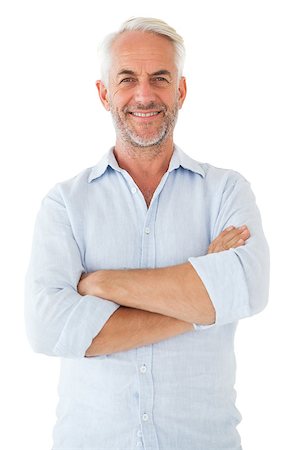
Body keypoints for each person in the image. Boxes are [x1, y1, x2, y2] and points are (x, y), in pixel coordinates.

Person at [25, 17, 270, 450]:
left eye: (160, 78)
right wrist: (202, 302)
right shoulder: (65, 203)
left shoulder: (226, 191)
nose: (144, 94)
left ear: (181, 90)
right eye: (127, 79)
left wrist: (102, 284)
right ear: (104, 94)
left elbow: (247, 288)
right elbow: (48, 328)